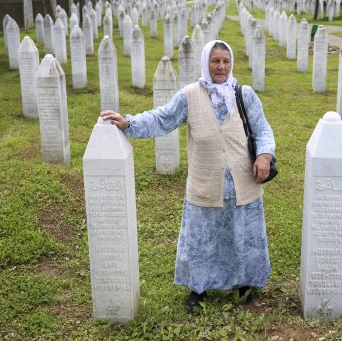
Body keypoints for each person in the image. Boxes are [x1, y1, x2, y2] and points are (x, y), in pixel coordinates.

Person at [100, 39, 275, 314]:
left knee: (243, 234)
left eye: (226, 61)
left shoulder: (245, 94)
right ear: (206, 63)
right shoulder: (190, 95)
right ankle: (199, 288)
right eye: (215, 61)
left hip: (243, 184)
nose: (221, 66)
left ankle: (244, 282)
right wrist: (129, 122)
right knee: (201, 238)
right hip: (205, 184)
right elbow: (163, 118)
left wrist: (264, 155)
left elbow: (263, 130)